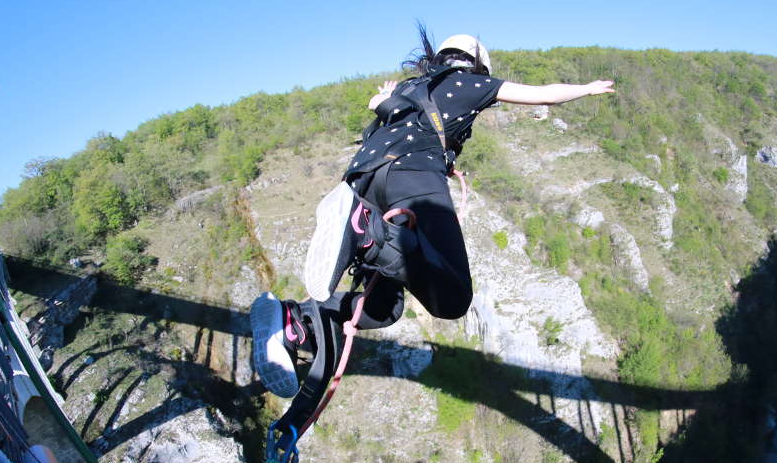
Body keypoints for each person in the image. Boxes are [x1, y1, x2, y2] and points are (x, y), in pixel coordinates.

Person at [252, 28, 616, 398]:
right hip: (412, 176)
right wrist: (586, 88)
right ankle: (365, 232)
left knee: (382, 307)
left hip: (362, 183)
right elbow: (545, 96)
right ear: (477, 66)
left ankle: (295, 323)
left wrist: (385, 98)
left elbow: (382, 116)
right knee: (452, 297)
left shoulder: (407, 89)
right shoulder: (470, 84)